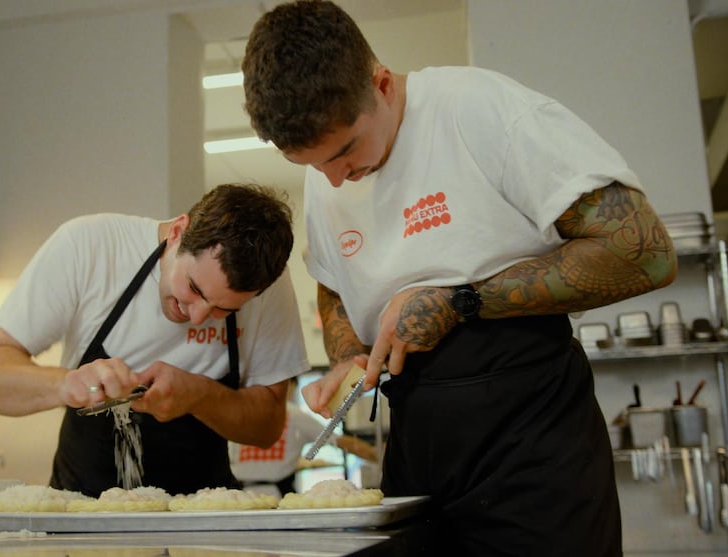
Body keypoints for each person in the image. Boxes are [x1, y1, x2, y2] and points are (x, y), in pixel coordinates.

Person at [241, 2, 677, 555]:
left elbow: (645, 253)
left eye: (347, 151)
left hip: (531, 436)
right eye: (313, 164)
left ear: (381, 85)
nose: (334, 178)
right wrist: (350, 355)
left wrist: (461, 301)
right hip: (417, 438)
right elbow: (333, 284)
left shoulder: (480, 110)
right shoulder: (327, 176)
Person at [0, 183, 310, 497]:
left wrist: (200, 396)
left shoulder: (268, 289)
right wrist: (66, 383)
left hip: (203, 529)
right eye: (193, 289)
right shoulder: (91, 247)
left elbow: (267, 427)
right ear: (177, 232)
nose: (198, 316)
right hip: (81, 519)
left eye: (223, 309)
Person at [229, 377, 378, 496]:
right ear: (290, 386)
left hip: (241, 496)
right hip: (275, 496)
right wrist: (376, 455)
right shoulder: (294, 414)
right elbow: (338, 440)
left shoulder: (246, 413)